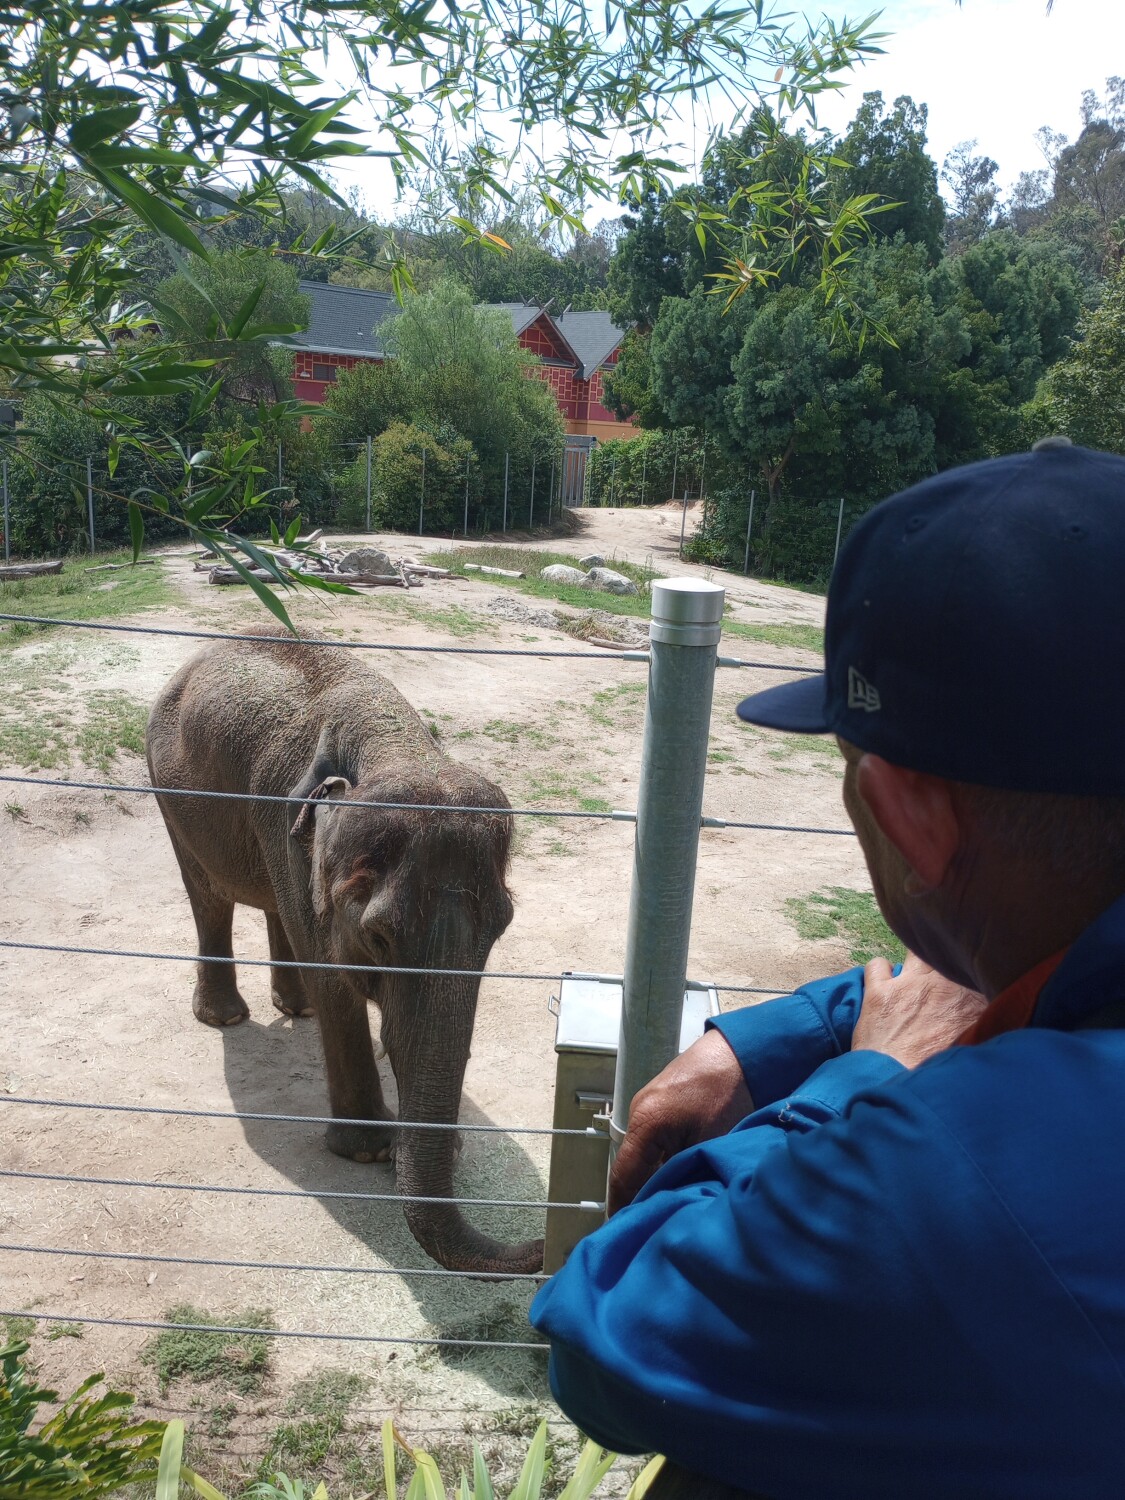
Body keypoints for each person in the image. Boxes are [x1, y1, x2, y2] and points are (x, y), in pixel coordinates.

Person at [530, 440, 1125, 1499]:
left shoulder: (958, 1178)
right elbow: (1005, 973)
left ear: (906, 814)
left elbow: (605, 1337)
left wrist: (856, 1084)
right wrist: (793, 1033)